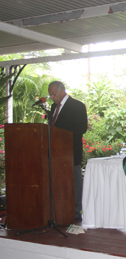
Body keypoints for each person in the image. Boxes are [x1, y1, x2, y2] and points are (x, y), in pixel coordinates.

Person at [48, 81, 88, 221]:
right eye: (50, 94)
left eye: (54, 94)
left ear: (62, 91)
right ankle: (60, 212)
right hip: (56, 153)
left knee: (75, 184)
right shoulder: (54, 107)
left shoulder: (77, 106)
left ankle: (76, 214)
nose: (52, 97)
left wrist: (60, 132)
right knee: (59, 184)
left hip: (71, 153)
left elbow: (81, 128)